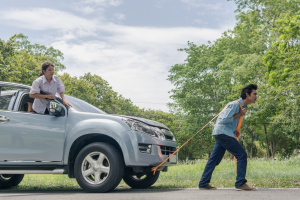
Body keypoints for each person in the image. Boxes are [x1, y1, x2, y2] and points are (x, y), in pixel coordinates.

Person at [199, 84, 258, 191]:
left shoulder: (242, 107)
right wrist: (239, 114)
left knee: (214, 160)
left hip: (222, 133)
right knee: (241, 155)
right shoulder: (235, 105)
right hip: (223, 134)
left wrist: (234, 131)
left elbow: (227, 122)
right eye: (254, 94)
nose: (256, 96)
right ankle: (240, 183)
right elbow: (223, 120)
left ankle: (203, 183)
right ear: (247, 94)